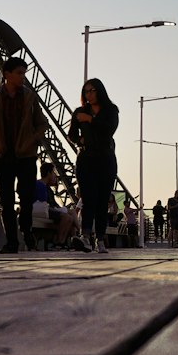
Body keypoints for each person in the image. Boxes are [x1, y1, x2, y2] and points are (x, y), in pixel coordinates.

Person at [0, 56, 47, 254]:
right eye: (19, 73)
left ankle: (26, 231)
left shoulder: (30, 98)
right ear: (7, 74)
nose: (23, 77)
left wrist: (33, 139)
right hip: (2, 157)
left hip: (26, 157)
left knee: (26, 199)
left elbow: (42, 123)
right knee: (6, 201)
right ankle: (12, 242)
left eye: (24, 73)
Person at [67, 77, 119, 255]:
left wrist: (89, 120)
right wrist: (80, 140)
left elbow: (109, 129)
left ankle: (101, 238)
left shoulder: (111, 110)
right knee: (88, 199)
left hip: (105, 159)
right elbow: (71, 134)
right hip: (86, 159)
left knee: (102, 200)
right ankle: (86, 236)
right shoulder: (78, 112)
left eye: (92, 90)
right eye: (86, 91)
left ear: (100, 91)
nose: (89, 94)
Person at [32, 161, 78, 248]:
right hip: (44, 210)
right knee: (68, 217)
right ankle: (61, 241)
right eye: (53, 173)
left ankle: (64, 241)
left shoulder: (43, 186)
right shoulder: (41, 186)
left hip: (46, 210)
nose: (55, 175)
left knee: (70, 216)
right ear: (49, 173)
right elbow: (44, 204)